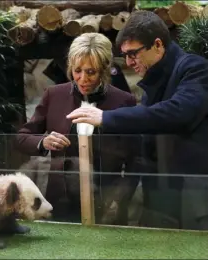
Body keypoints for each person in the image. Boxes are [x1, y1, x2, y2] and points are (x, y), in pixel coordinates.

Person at [66, 11, 208, 230]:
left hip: (195, 191)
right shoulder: (153, 80)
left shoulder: (195, 68)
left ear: (158, 45)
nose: (130, 62)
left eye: (133, 54)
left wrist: (105, 117)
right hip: (162, 194)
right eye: (125, 56)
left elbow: (177, 112)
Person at [16, 33, 140, 225]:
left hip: (106, 198)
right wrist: (43, 141)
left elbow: (135, 160)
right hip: (59, 200)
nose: (83, 79)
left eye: (91, 72)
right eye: (77, 71)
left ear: (105, 69)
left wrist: (119, 198)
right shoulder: (54, 95)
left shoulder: (124, 101)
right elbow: (22, 138)